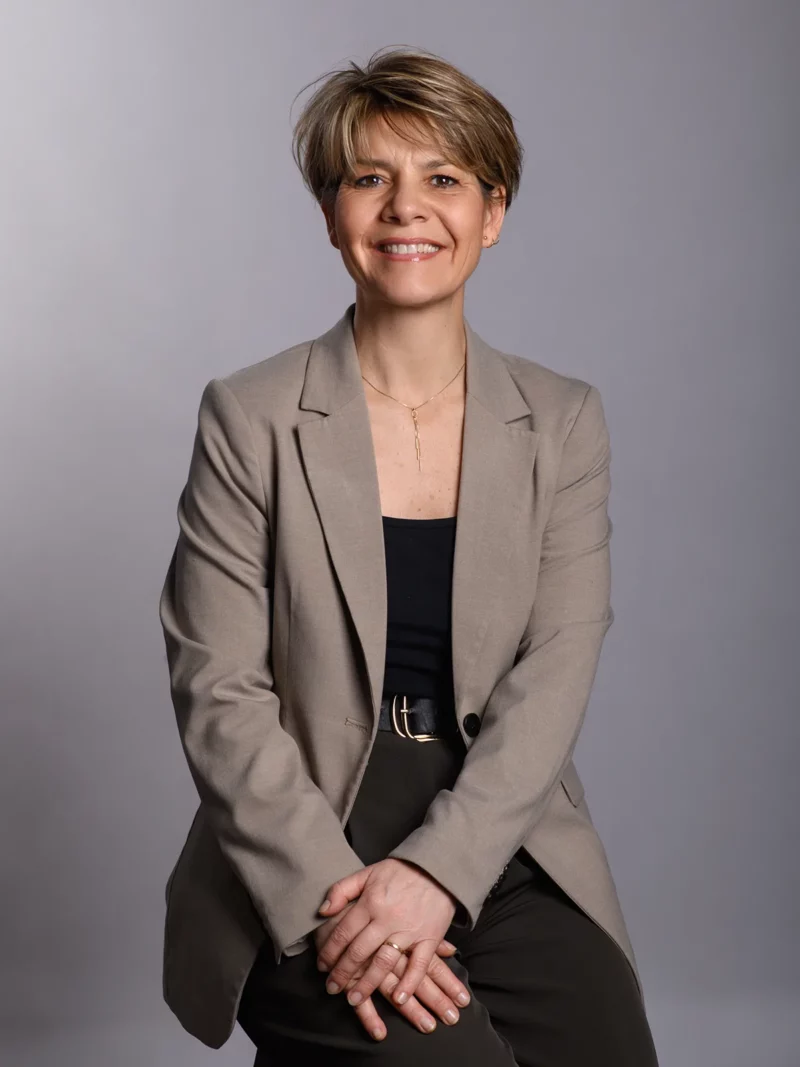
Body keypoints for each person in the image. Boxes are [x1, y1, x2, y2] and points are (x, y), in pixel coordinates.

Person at [158, 45, 660, 1065]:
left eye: (441, 178)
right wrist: (332, 903)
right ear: (331, 212)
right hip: (302, 851)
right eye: (368, 178)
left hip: (498, 834)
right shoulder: (249, 416)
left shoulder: (561, 421)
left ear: (492, 210)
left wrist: (436, 872)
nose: (405, 208)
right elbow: (217, 686)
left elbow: (555, 669)